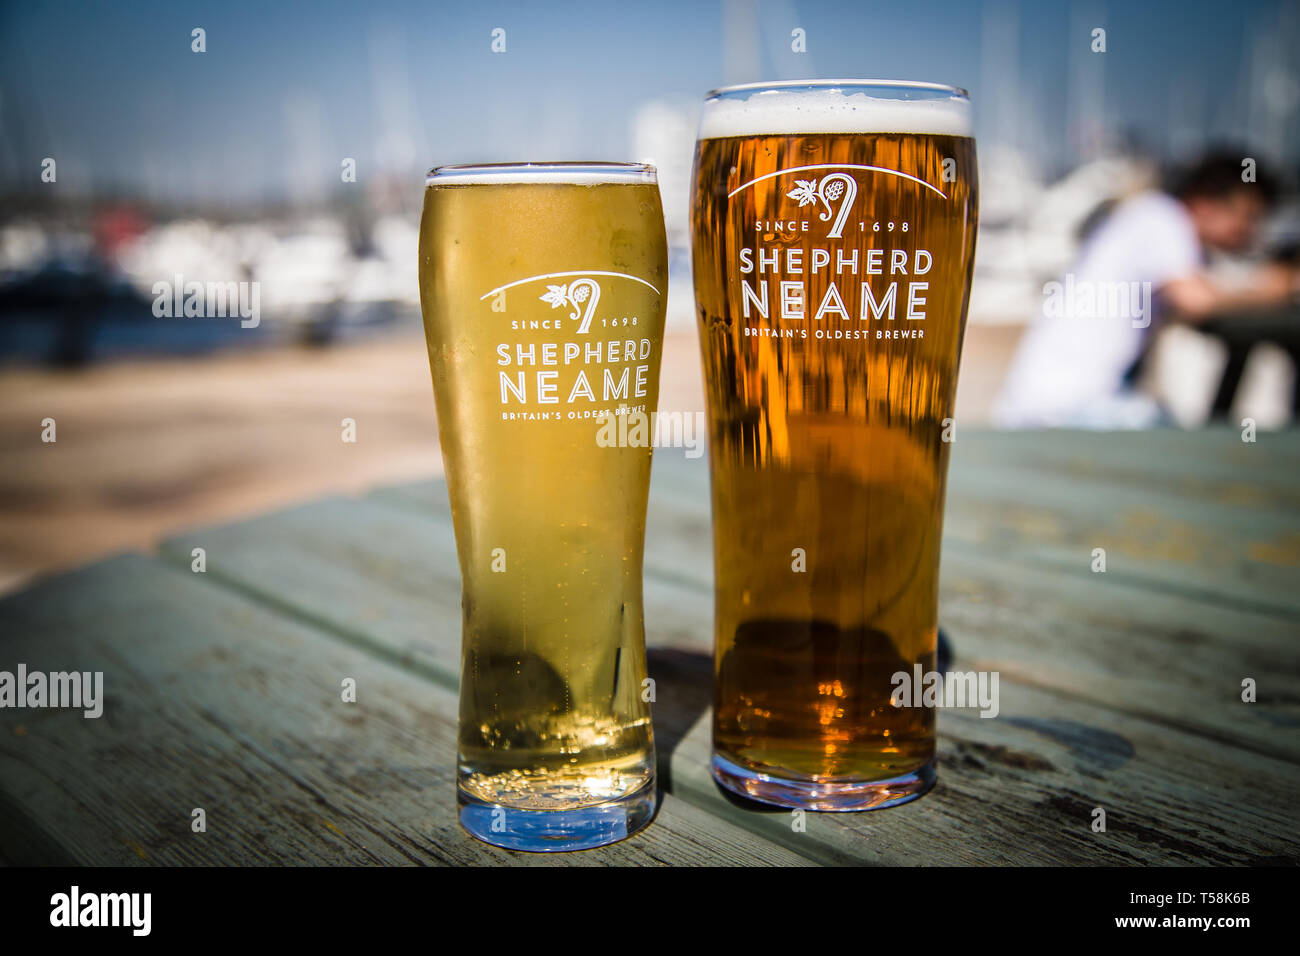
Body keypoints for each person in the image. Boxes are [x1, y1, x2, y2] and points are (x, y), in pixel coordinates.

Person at [992, 150, 1299, 428]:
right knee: (1188, 448)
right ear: (1204, 203)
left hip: (1051, 405)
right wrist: (1281, 287)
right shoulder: (1162, 218)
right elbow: (1195, 299)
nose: (1250, 231)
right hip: (1064, 410)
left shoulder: (1150, 221)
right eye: (1247, 216)